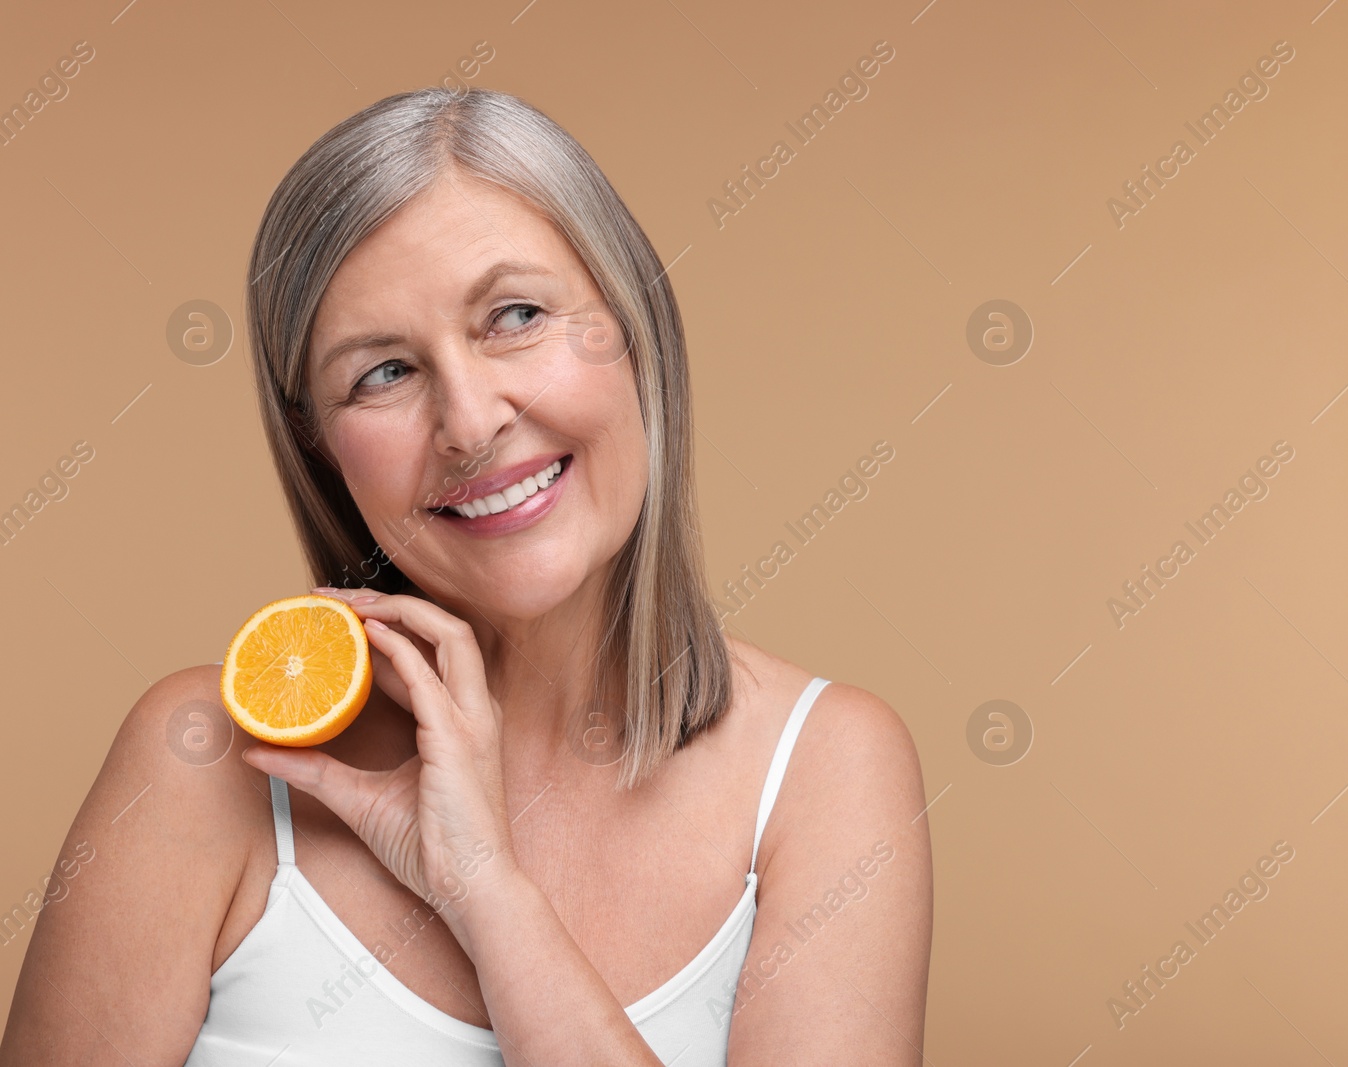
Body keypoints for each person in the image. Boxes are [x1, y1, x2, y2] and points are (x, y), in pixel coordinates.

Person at [0, 87, 932, 1066]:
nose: (470, 420)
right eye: (384, 372)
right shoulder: (204, 765)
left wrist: (486, 889)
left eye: (515, 315)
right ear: (322, 450)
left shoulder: (826, 769)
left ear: (633, 324)